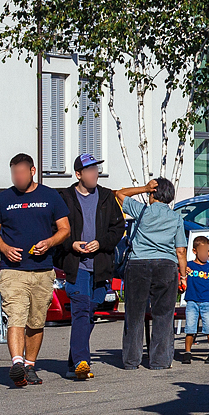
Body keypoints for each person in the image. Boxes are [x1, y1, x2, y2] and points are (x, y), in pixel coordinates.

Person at [0, 154, 71, 388]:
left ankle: (30, 365)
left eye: (22, 173)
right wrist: (4, 247)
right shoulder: (3, 199)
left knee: (36, 321)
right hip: (12, 271)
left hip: (42, 270)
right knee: (16, 316)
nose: (18, 178)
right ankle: (16, 364)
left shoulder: (50, 196)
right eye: (14, 174)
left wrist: (50, 242)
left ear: (32, 171)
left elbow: (65, 228)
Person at [56, 153, 128, 380]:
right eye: (89, 170)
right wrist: (72, 244)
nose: (94, 174)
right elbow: (56, 230)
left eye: (96, 170)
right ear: (78, 174)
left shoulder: (107, 196)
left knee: (89, 310)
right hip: (76, 266)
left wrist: (102, 242)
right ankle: (81, 362)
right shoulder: (65, 197)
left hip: (100, 266)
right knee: (80, 311)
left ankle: (72, 361)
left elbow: (118, 228)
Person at [118, 178, 187, 370]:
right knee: (163, 314)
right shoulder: (176, 218)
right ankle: (160, 360)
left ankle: (131, 360)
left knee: (134, 313)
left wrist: (143, 187)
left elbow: (119, 194)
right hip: (166, 265)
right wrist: (183, 276)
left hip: (138, 264)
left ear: (152, 194)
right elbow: (180, 250)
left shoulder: (141, 211)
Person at [182, 236, 209, 363]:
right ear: (194, 251)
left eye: (208, 251)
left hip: (207, 301)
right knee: (190, 327)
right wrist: (183, 270)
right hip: (192, 301)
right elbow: (179, 269)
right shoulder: (189, 265)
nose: (206, 254)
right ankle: (187, 352)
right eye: (203, 251)